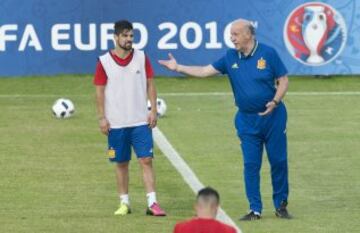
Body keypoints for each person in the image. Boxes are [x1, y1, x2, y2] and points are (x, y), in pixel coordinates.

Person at [159, 19, 292, 220]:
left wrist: (275, 101)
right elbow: (204, 71)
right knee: (251, 164)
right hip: (247, 121)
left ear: (249, 34)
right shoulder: (230, 57)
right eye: (231, 34)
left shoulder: (268, 53)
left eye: (236, 34)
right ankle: (254, 209)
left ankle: (281, 205)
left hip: (274, 118)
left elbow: (283, 80)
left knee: (279, 161)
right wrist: (178, 67)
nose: (232, 37)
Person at [94, 20, 166, 216]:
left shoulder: (142, 57)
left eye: (131, 36)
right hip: (116, 124)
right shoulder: (104, 62)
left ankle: (152, 203)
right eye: (125, 36)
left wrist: (152, 110)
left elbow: (150, 83)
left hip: (140, 122)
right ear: (115, 37)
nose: (129, 39)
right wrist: (102, 117)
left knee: (146, 160)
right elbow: (99, 91)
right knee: (121, 163)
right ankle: (124, 203)